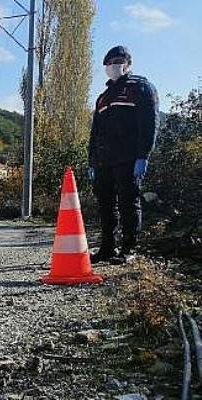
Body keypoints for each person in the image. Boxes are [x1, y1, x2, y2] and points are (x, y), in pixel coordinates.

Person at [88, 45, 159, 263]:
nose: (113, 66)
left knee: (129, 202)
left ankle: (129, 249)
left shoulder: (141, 87)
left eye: (118, 61)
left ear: (127, 64)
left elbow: (150, 123)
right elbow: (95, 132)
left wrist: (143, 155)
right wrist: (92, 161)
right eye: (108, 63)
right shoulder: (103, 97)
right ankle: (107, 248)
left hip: (129, 157)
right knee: (105, 205)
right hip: (103, 160)